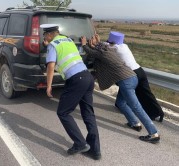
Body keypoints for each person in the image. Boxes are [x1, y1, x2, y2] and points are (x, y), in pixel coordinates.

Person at [81, 34, 160, 144]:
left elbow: (92, 52)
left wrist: (84, 44)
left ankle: (154, 133)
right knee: (120, 103)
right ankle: (134, 123)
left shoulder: (103, 52)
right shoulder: (110, 50)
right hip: (132, 78)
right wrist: (97, 43)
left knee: (136, 107)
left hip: (126, 81)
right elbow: (101, 47)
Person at [40, 24, 101, 160]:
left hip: (76, 80)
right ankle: (95, 151)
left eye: (45, 35)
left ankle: (80, 143)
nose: (44, 38)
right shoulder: (67, 40)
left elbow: (50, 66)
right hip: (87, 76)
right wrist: (48, 45)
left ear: (49, 35)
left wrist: (48, 86)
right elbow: (63, 52)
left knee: (63, 112)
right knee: (88, 114)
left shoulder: (52, 45)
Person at [106, 31, 164, 122]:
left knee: (133, 91)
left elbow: (102, 46)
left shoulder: (113, 48)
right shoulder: (124, 46)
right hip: (140, 70)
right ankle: (159, 113)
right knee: (146, 93)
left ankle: (152, 114)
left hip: (131, 73)